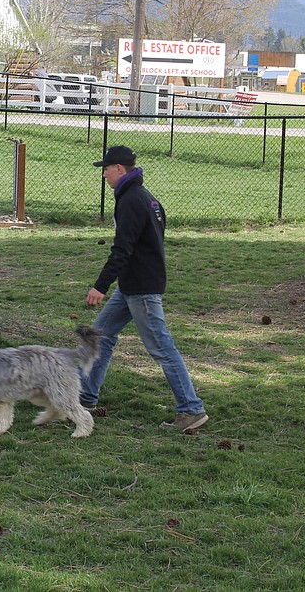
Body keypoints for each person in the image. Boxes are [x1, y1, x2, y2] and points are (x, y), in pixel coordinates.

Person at [80, 144, 208, 432]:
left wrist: (100, 286)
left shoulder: (131, 200)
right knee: (99, 337)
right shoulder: (146, 198)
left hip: (142, 288)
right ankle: (84, 397)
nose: (104, 175)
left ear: (119, 169)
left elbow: (122, 249)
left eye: (106, 169)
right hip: (133, 286)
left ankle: (191, 409)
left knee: (161, 347)